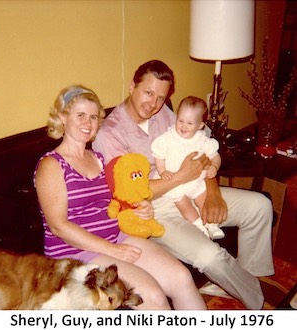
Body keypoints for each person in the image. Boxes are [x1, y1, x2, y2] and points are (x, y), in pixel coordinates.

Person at [93, 60, 275, 310]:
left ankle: (246, 280)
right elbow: (130, 195)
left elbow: (202, 146)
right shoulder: (110, 134)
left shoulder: (163, 114)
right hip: (154, 211)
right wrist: (179, 176)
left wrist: (213, 193)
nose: (153, 104)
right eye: (148, 93)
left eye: (161, 97)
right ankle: (261, 302)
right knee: (209, 256)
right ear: (132, 86)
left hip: (195, 188)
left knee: (260, 206)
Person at [33, 85, 206, 310]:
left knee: (181, 277)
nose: (88, 122)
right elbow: (59, 227)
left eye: (94, 116)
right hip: (74, 253)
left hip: (116, 237)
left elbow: (121, 199)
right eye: (80, 115)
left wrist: (140, 208)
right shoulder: (51, 165)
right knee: (152, 297)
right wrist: (112, 251)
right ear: (63, 117)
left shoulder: (99, 158)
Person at [151, 96, 225, 240]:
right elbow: (159, 156)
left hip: (196, 180)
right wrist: (163, 171)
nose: (183, 126)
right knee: (184, 205)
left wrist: (215, 166)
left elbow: (215, 156)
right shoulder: (168, 138)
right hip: (174, 180)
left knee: (203, 199)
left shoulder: (202, 140)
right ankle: (198, 226)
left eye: (190, 123)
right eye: (180, 121)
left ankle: (211, 224)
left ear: (200, 125)